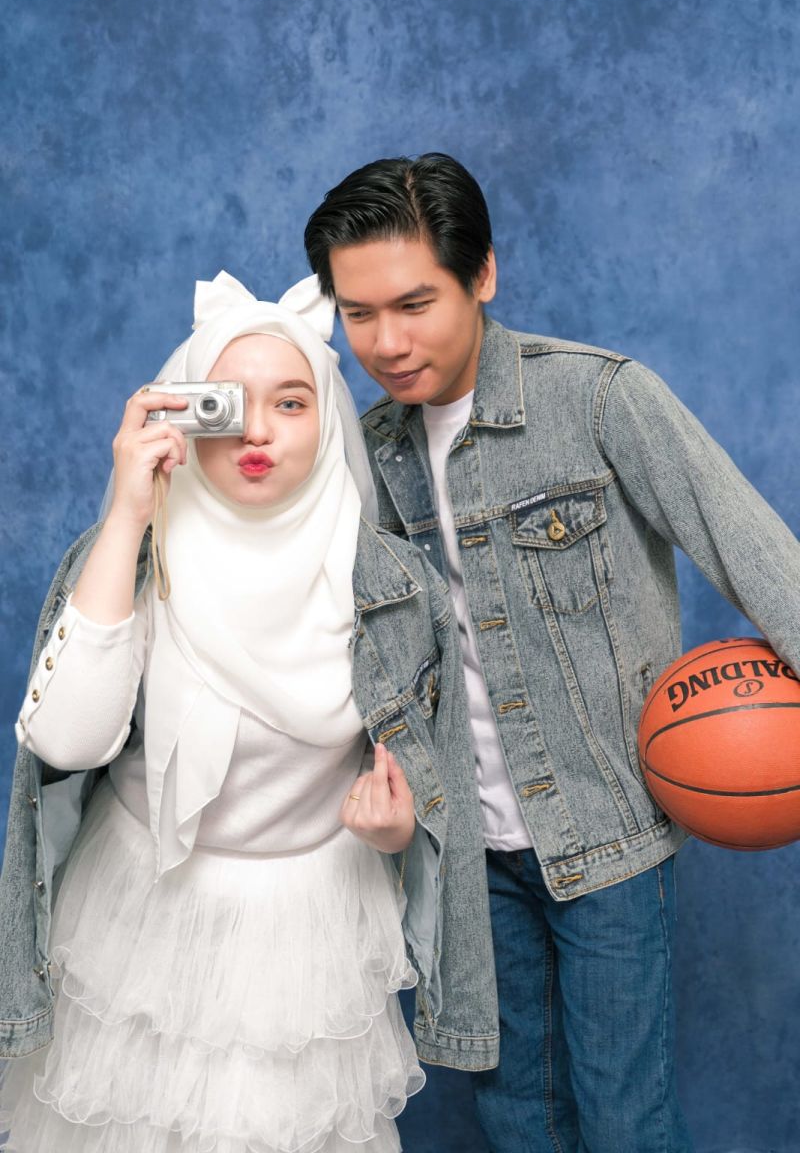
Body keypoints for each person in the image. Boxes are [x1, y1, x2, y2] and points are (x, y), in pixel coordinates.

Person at [303, 153, 800, 1153]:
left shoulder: (599, 398)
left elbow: (760, 560)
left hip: (605, 832)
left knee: (625, 1124)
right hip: (463, 853)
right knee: (517, 1121)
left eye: (414, 304)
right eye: (358, 314)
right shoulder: (364, 454)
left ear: (481, 274)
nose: (387, 343)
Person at [0, 271, 498, 1151]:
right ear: (184, 416)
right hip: (140, 920)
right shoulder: (136, 555)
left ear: (329, 422)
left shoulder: (390, 588)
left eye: (292, 403)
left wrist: (395, 830)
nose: (258, 432)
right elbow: (68, 741)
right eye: (226, 405)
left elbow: (435, 805)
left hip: (307, 937)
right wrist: (127, 511)